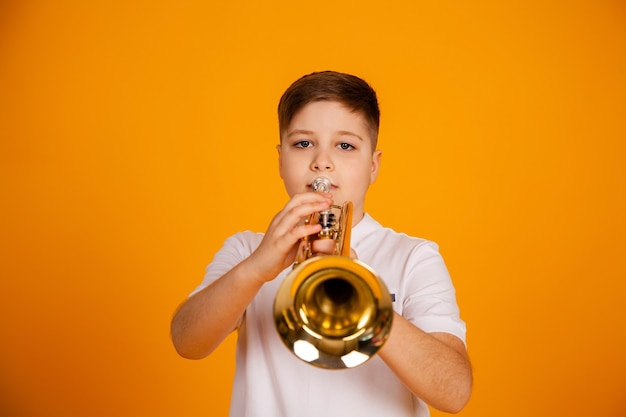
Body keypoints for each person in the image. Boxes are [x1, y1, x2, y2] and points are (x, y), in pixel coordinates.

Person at [171, 71, 472, 417]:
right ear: (280, 160)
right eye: (303, 144)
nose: (322, 162)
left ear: (372, 166)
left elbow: (454, 392)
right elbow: (186, 341)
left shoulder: (413, 257)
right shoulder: (246, 250)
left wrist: (365, 296)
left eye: (345, 146)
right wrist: (255, 269)